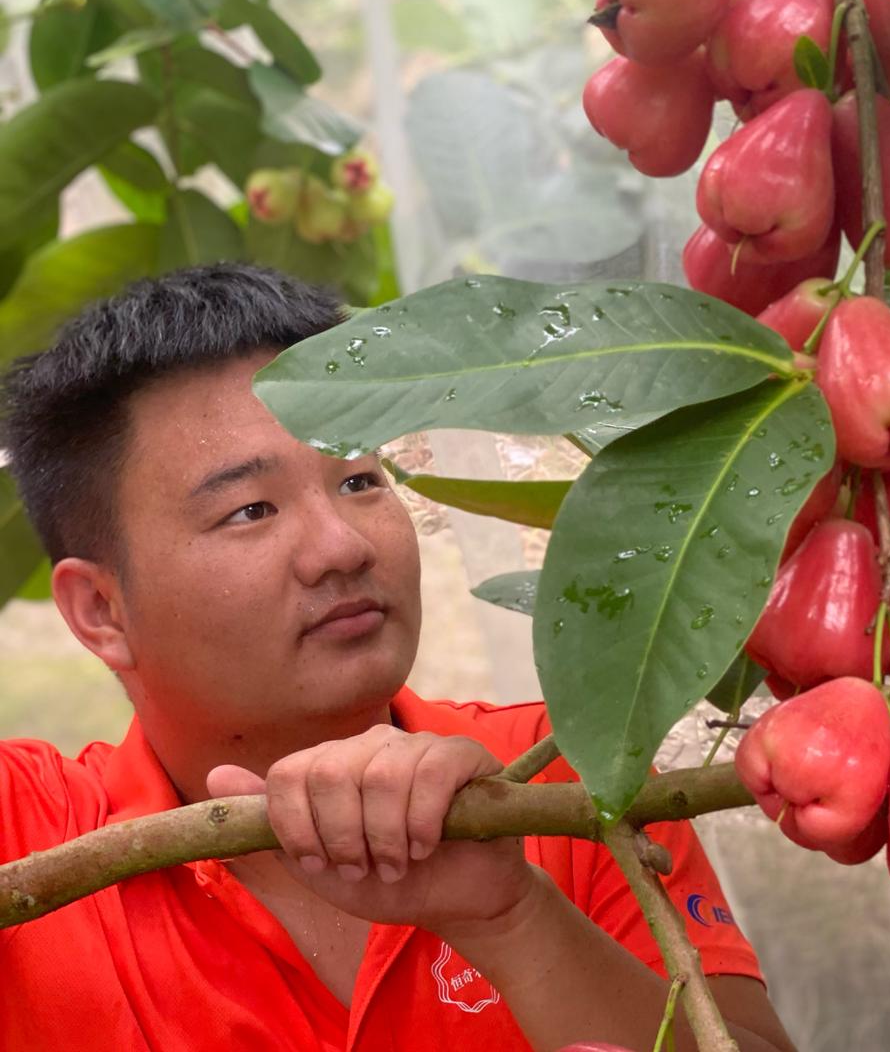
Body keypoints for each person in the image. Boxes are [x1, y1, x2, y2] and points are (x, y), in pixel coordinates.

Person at [0, 263, 794, 1052]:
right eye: (250, 510)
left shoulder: (569, 775)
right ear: (101, 610)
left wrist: (511, 915)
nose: (342, 546)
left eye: (358, 480)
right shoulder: (28, 830)